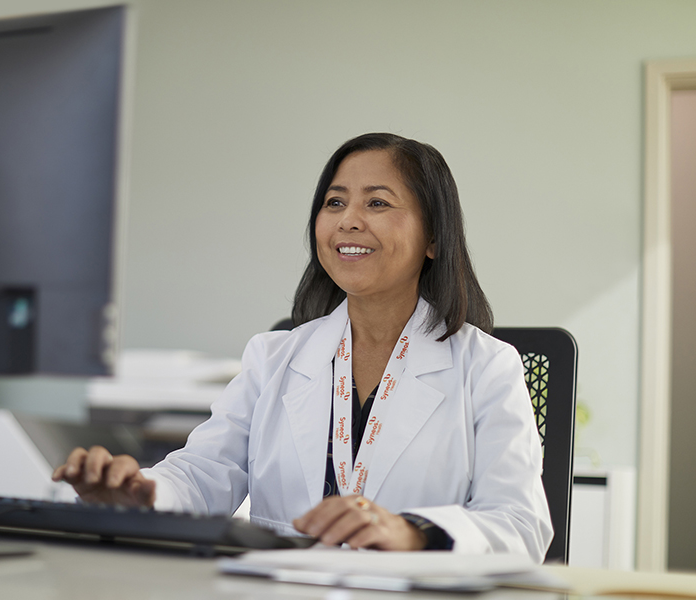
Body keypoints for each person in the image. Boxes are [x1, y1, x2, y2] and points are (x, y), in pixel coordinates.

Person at [52, 133, 553, 560]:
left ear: (434, 238)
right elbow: (205, 473)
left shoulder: (487, 367)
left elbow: (520, 525)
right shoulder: (273, 358)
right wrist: (140, 493)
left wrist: (414, 531)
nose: (349, 220)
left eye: (377, 202)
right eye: (334, 202)